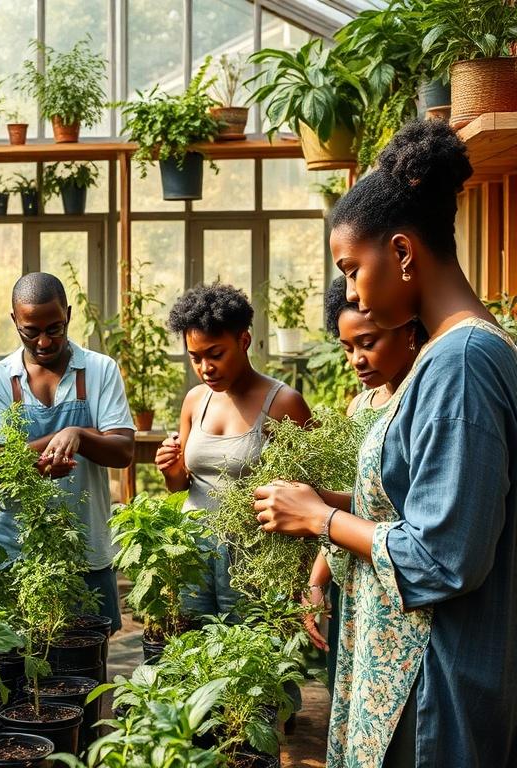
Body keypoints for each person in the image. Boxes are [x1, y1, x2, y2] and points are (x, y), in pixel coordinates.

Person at [253, 120, 517, 768]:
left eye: (350, 268)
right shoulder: (448, 359)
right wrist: (329, 502)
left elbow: (445, 557)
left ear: (401, 252)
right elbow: (422, 503)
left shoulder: (463, 363)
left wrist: (322, 518)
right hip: (409, 677)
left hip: (433, 696)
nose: (349, 292)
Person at [0, 272, 134, 633]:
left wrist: (77, 433)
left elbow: (123, 450)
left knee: (88, 664)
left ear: (68, 314)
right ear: (15, 321)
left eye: (55, 328)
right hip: (15, 551)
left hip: (87, 548)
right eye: (31, 331)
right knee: (20, 665)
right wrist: (51, 447)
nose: (44, 341)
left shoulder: (99, 369)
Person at [154, 282, 310, 622]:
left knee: (251, 653)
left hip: (252, 556)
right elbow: (181, 485)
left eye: (215, 353)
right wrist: (170, 469)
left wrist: (302, 579)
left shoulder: (284, 403)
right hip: (194, 550)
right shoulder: (195, 401)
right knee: (194, 651)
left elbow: (307, 494)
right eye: (195, 357)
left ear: (244, 341)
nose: (205, 367)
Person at [303, 275, 422, 686]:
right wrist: (318, 580)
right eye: (348, 347)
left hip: (398, 582)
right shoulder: (360, 406)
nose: (356, 359)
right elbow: (352, 504)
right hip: (349, 573)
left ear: (407, 329)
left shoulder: (419, 400)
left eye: (368, 343)